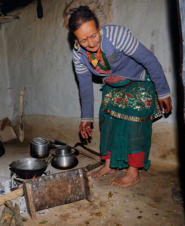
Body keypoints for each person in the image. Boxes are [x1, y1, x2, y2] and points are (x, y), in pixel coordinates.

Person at [66, 6, 172, 187]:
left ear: (99, 27)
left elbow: (148, 59)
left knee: (134, 123)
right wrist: (86, 119)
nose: (91, 44)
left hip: (137, 80)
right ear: (76, 40)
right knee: (107, 122)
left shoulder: (117, 36)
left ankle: (133, 172)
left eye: (93, 35)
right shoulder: (78, 56)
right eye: (83, 40)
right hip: (113, 85)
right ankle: (109, 165)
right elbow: (84, 87)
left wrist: (163, 91)